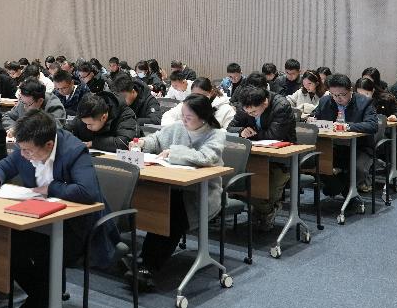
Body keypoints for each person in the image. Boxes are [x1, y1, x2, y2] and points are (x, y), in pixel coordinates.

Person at [0, 111, 106, 308]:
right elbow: (4, 165)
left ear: (49, 145)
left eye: (28, 151)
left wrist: (51, 188)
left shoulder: (74, 150)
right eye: (21, 149)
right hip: (36, 221)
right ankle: (41, 304)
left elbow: (87, 191)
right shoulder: (28, 146)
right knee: (6, 244)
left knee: (41, 256)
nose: (23, 155)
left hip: (74, 227)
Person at [134, 95, 225, 284]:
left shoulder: (216, 134)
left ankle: (148, 266)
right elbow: (156, 139)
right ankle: (144, 262)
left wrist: (173, 152)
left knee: (172, 213)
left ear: (203, 118)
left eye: (188, 117)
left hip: (202, 194)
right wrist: (142, 143)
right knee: (162, 207)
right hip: (174, 188)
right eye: (182, 115)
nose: (183, 120)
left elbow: (206, 157)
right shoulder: (177, 127)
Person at [228, 85, 296, 230]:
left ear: (265, 102)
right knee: (239, 187)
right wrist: (241, 131)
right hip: (254, 156)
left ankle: (267, 211)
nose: (251, 114)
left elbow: (274, 136)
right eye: (248, 112)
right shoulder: (245, 105)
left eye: (254, 112)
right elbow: (230, 127)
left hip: (280, 158)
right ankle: (262, 211)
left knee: (264, 194)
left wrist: (251, 134)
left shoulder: (281, 106)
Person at [310, 74, 379, 194]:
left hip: (360, 147)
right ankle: (340, 188)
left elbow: (372, 125)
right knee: (316, 164)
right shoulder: (325, 101)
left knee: (357, 169)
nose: (338, 98)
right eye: (334, 94)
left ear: (350, 90)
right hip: (334, 146)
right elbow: (314, 116)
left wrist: (347, 126)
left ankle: (347, 191)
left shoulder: (364, 102)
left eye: (342, 95)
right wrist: (311, 119)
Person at [72, 92, 137, 152]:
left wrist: (93, 143)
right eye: (85, 123)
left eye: (90, 124)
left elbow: (124, 142)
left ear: (103, 117)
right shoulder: (86, 111)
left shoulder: (125, 114)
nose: (87, 127)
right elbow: (67, 131)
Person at [162, 77, 236, 128]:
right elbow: (168, 116)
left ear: (211, 92)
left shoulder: (226, 109)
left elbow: (229, 135)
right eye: (194, 95)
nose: (197, 99)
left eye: (201, 95)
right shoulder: (188, 104)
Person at [2, 79, 66, 134]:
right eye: (22, 102)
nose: (24, 107)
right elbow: (8, 116)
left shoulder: (54, 106)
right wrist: (13, 128)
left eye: (28, 104)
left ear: (40, 101)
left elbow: (53, 130)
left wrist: (21, 130)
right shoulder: (24, 101)